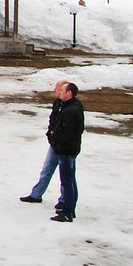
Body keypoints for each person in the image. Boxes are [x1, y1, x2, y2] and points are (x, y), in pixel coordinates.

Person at [20, 80, 67, 208]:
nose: (55, 90)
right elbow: (53, 121)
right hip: (54, 143)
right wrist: (50, 136)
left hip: (65, 146)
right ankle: (36, 194)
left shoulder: (71, 107)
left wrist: (60, 141)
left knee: (66, 175)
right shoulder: (57, 103)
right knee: (46, 169)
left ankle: (64, 200)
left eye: (58, 88)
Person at [49, 82, 84, 223]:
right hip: (71, 148)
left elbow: (67, 133)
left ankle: (68, 212)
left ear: (69, 93)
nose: (59, 92)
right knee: (70, 180)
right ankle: (70, 208)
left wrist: (55, 139)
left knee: (67, 181)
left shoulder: (70, 110)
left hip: (66, 150)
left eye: (62, 90)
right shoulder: (74, 105)